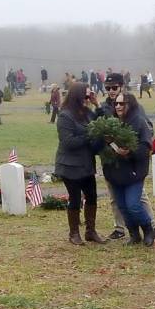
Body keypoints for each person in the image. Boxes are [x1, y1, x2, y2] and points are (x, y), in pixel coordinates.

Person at [96, 72, 155, 239]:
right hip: (113, 165)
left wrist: (130, 150)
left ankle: (150, 226)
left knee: (135, 201)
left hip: (133, 167)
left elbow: (147, 137)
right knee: (119, 203)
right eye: (107, 88)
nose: (111, 91)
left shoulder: (137, 114)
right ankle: (128, 231)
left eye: (114, 87)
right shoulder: (104, 107)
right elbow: (99, 132)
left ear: (121, 87)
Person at [55, 82, 106, 245]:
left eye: (89, 96)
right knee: (75, 198)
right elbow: (68, 141)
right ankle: (74, 233)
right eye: (86, 96)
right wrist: (90, 135)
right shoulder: (65, 115)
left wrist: (97, 104)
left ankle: (90, 231)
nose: (87, 99)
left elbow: (100, 123)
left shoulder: (86, 112)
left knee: (92, 196)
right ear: (77, 96)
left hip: (86, 163)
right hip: (70, 165)